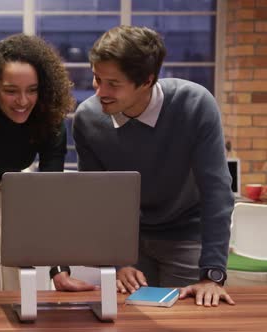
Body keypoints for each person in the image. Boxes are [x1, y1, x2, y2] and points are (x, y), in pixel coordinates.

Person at [52, 25, 236, 307]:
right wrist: (116, 262)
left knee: (191, 315)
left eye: (113, 83)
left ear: (147, 81)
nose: (100, 91)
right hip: (129, 240)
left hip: (187, 233)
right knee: (126, 317)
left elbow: (217, 192)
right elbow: (98, 199)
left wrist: (212, 274)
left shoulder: (195, 104)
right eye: (97, 79)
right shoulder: (89, 118)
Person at [0, 34, 97, 292]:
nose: (23, 101)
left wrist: (60, 270)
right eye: (11, 91)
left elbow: (51, 194)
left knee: (11, 290)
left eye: (32, 90)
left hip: (11, 190)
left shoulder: (49, 120)